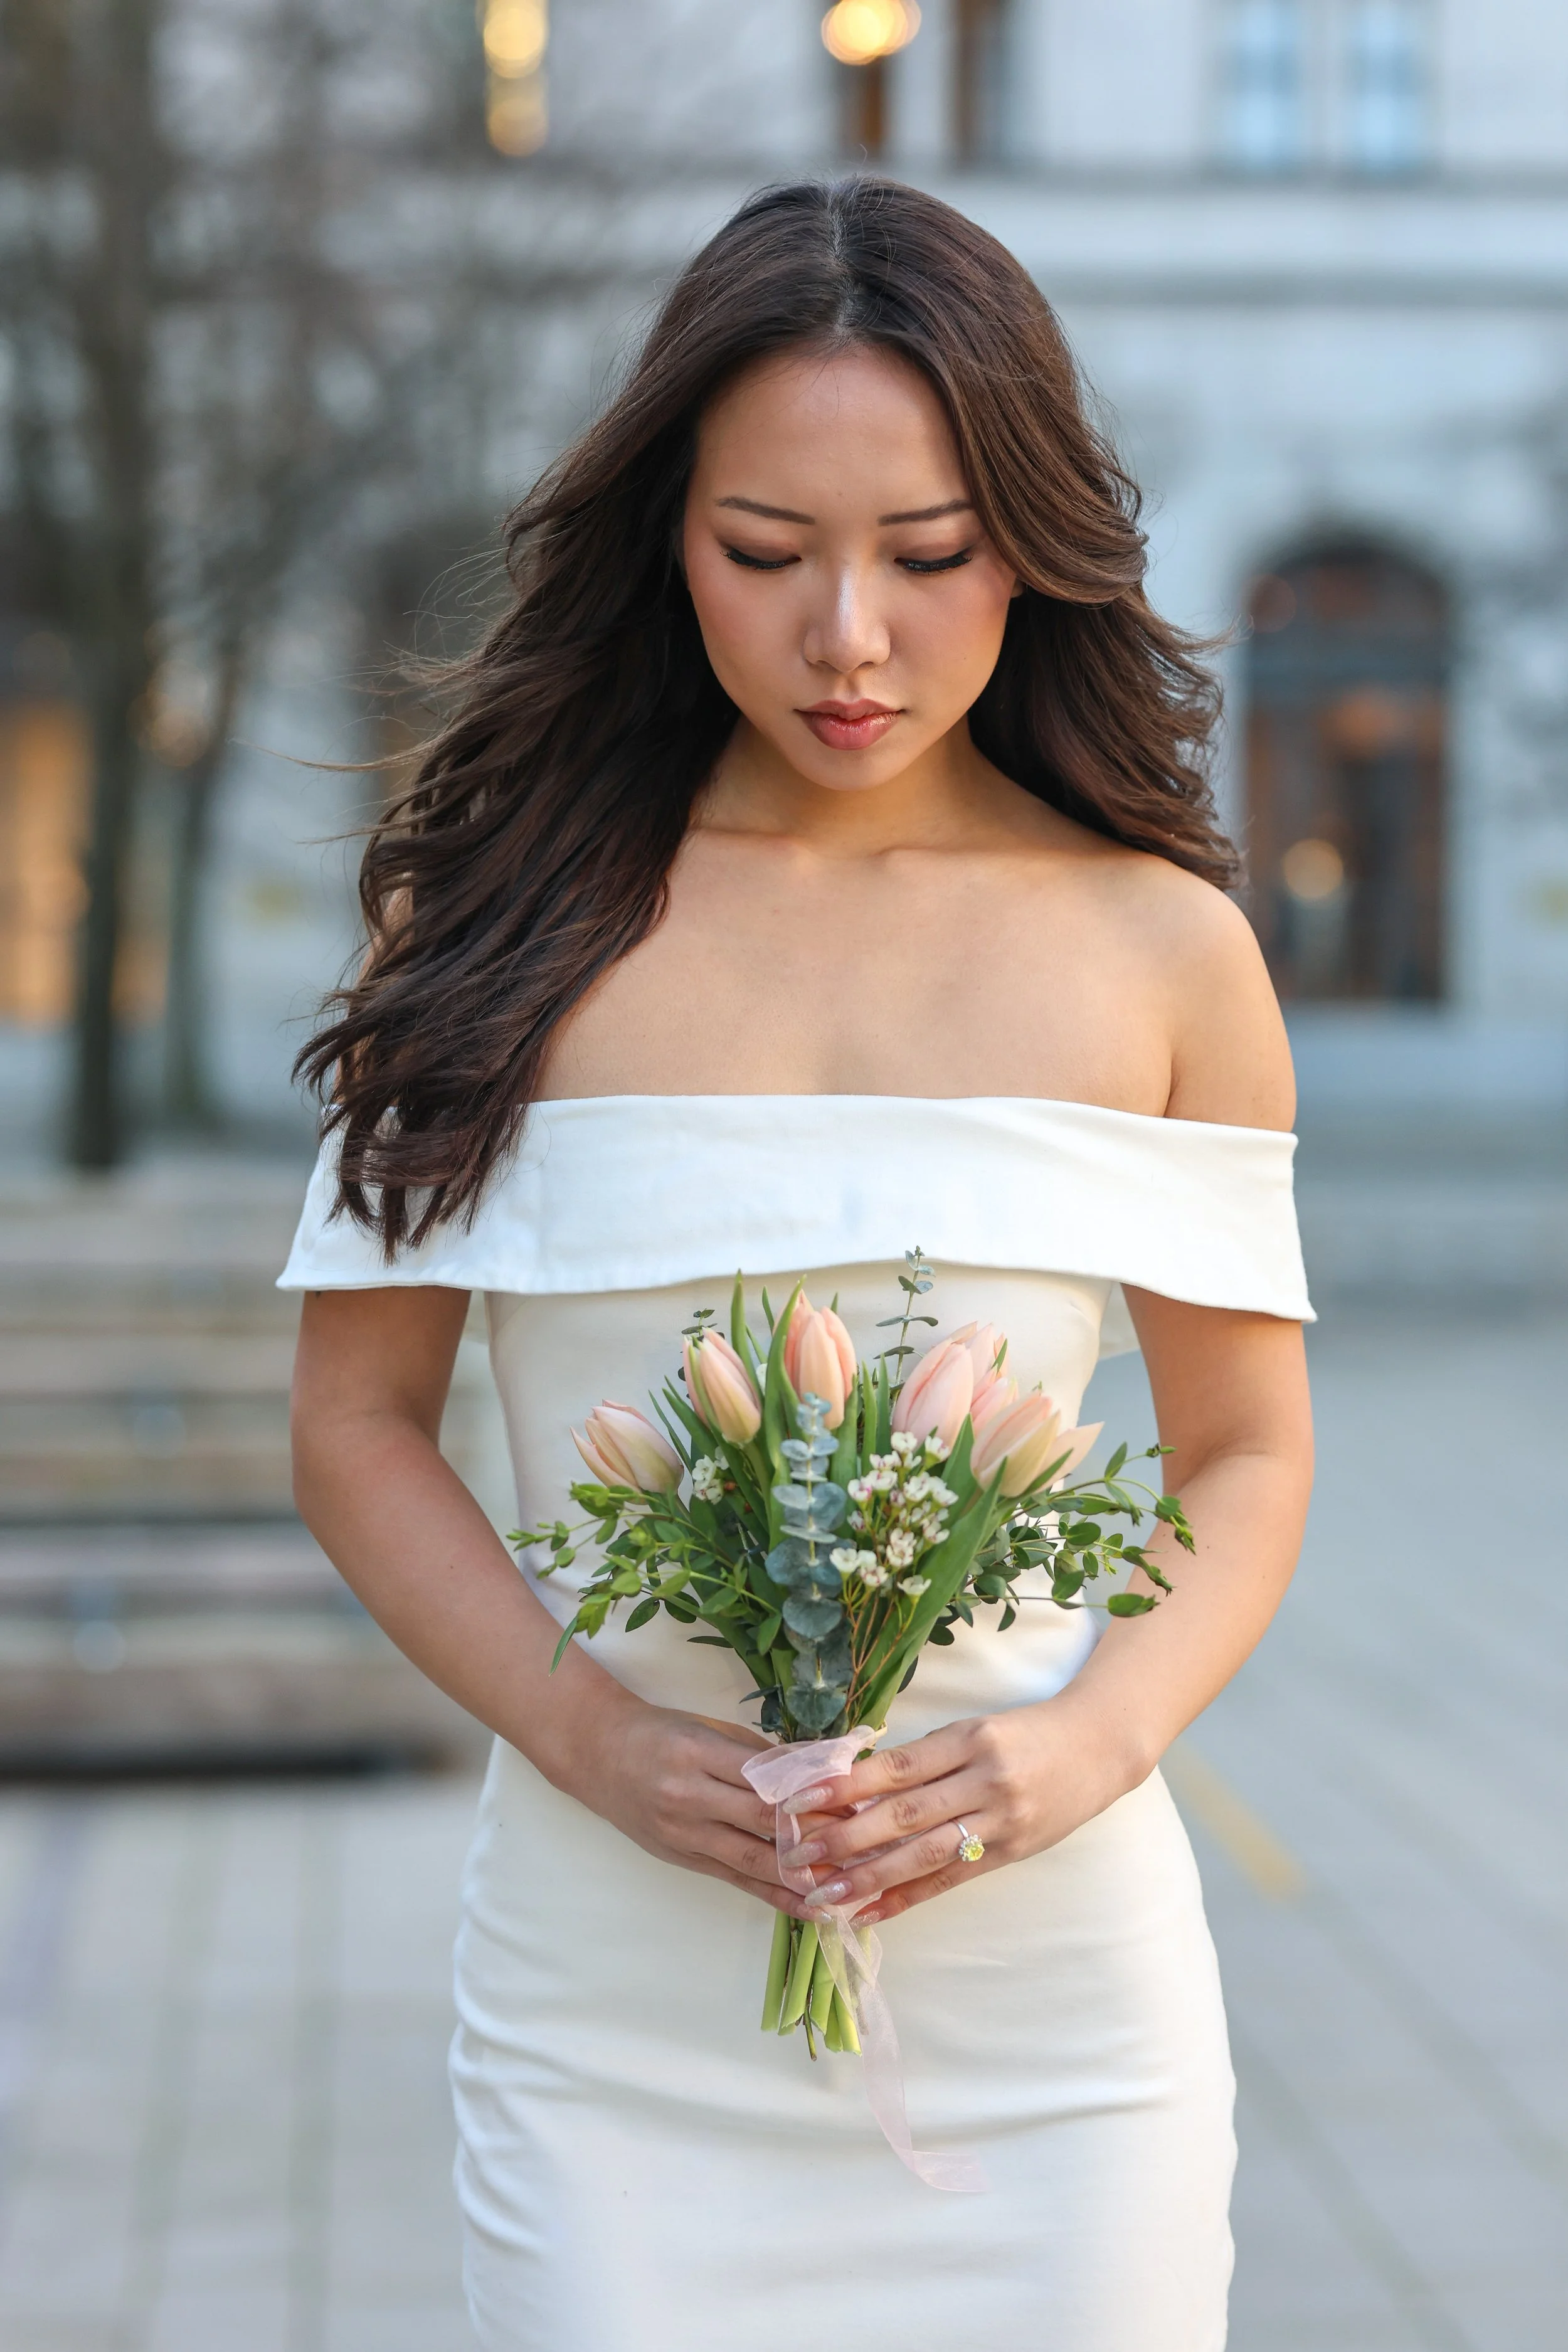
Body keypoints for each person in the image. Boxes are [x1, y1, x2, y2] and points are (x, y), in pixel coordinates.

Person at [283, 177, 1313, 2351]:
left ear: (1025, 542)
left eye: (927, 556)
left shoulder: (1164, 952)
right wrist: (582, 1730)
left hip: (1054, 2002)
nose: (848, 635)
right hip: (608, 1983)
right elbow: (359, 1428)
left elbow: (1244, 1454)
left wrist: (1097, 1736)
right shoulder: (496, 923)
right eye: (768, 552)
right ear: (670, 538)